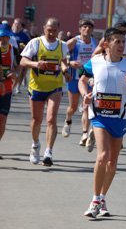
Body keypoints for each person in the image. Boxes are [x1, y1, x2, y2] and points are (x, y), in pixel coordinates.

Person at [80, 27, 126, 218]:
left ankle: (103, 196)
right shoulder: (95, 62)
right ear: (106, 44)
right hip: (99, 116)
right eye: (117, 42)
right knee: (103, 156)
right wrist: (85, 96)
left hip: (119, 118)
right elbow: (82, 80)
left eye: (123, 42)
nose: (121, 46)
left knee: (113, 163)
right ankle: (95, 199)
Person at [19, 17, 72, 166]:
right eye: (49, 30)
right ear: (44, 28)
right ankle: (35, 145)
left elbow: (63, 61)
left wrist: (66, 72)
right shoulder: (35, 43)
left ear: (58, 30)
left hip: (54, 86)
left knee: (51, 119)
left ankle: (49, 152)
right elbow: (23, 61)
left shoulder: (62, 45)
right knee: (37, 120)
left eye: (55, 30)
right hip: (37, 87)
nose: (52, 33)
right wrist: (36, 64)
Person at [62, 19, 97, 146]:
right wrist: (70, 63)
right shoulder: (73, 42)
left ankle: (84, 134)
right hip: (74, 79)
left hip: (88, 79)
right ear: (80, 29)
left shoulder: (94, 42)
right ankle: (68, 120)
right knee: (73, 108)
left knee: (87, 106)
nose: (87, 29)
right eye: (84, 27)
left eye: (89, 27)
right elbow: (61, 58)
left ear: (92, 30)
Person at [0, 26, 19, 159]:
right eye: (1, 36)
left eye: (6, 36)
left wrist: (15, 75)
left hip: (7, 89)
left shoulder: (14, 51)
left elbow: (18, 68)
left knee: (2, 120)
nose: (4, 39)